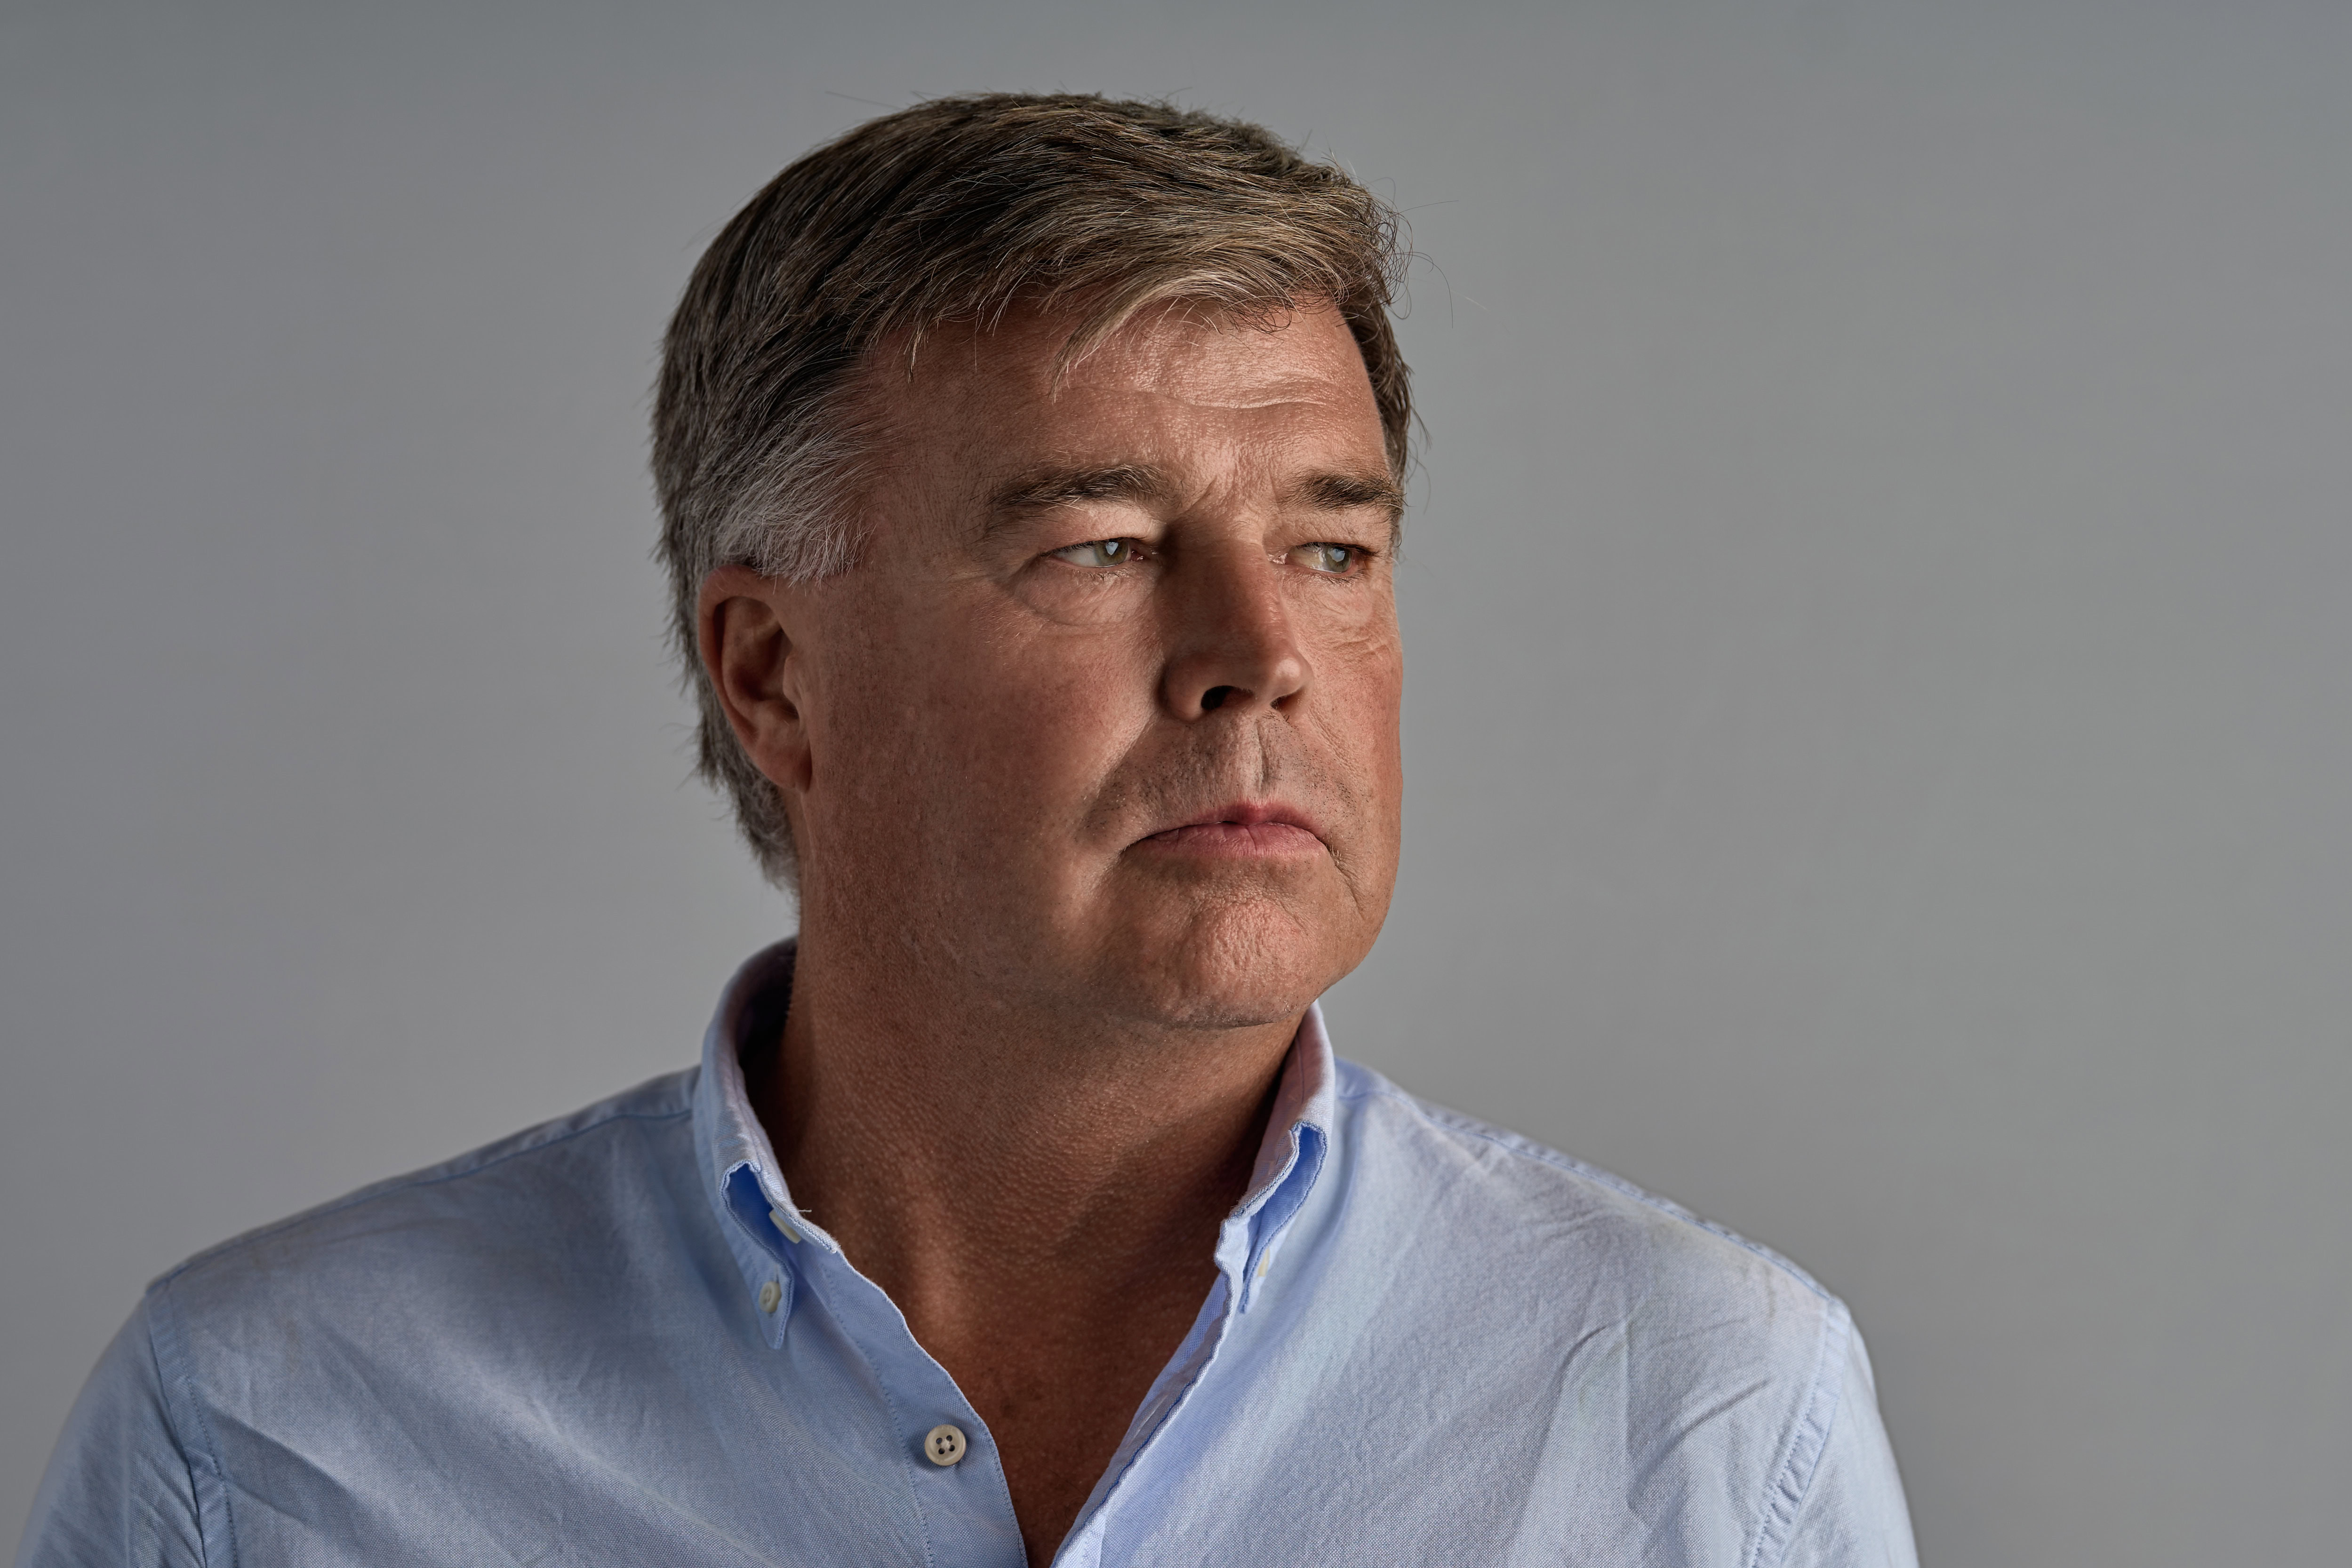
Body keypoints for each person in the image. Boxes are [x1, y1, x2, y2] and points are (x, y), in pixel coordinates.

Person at [20, 94, 1917, 1568]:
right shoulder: (269, 1436)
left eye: (1331, 548)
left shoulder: (1707, 1411)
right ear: (771, 677)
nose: (1260, 659)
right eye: (1096, 549)